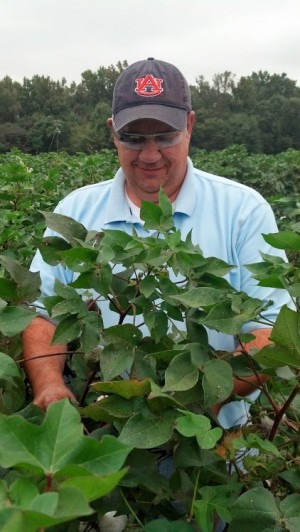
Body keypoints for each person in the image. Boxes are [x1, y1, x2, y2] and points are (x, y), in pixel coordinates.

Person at [22, 58, 291, 428]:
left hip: (215, 453)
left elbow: (272, 334)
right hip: (101, 436)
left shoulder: (242, 210)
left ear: (190, 126)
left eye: (165, 136)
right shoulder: (76, 211)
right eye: (133, 138)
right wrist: (50, 385)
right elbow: (42, 315)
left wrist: (197, 399)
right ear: (112, 132)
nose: (149, 155)